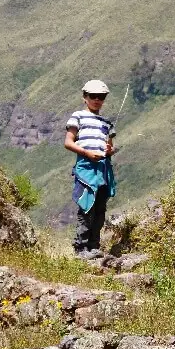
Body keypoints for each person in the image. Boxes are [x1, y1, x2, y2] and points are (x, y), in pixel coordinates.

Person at [64, 79, 118, 259]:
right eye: (93, 96)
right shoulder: (78, 116)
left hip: (103, 169)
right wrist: (87, 153)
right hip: (86, 167)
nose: (97, 100)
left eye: (101, 97)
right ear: (84, 97)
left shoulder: (106, 123)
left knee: (100, 209)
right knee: (87, 206)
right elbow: (68, 142)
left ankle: (94, 247)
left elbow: (109, 147)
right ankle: (80, 248)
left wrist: (110, 150)